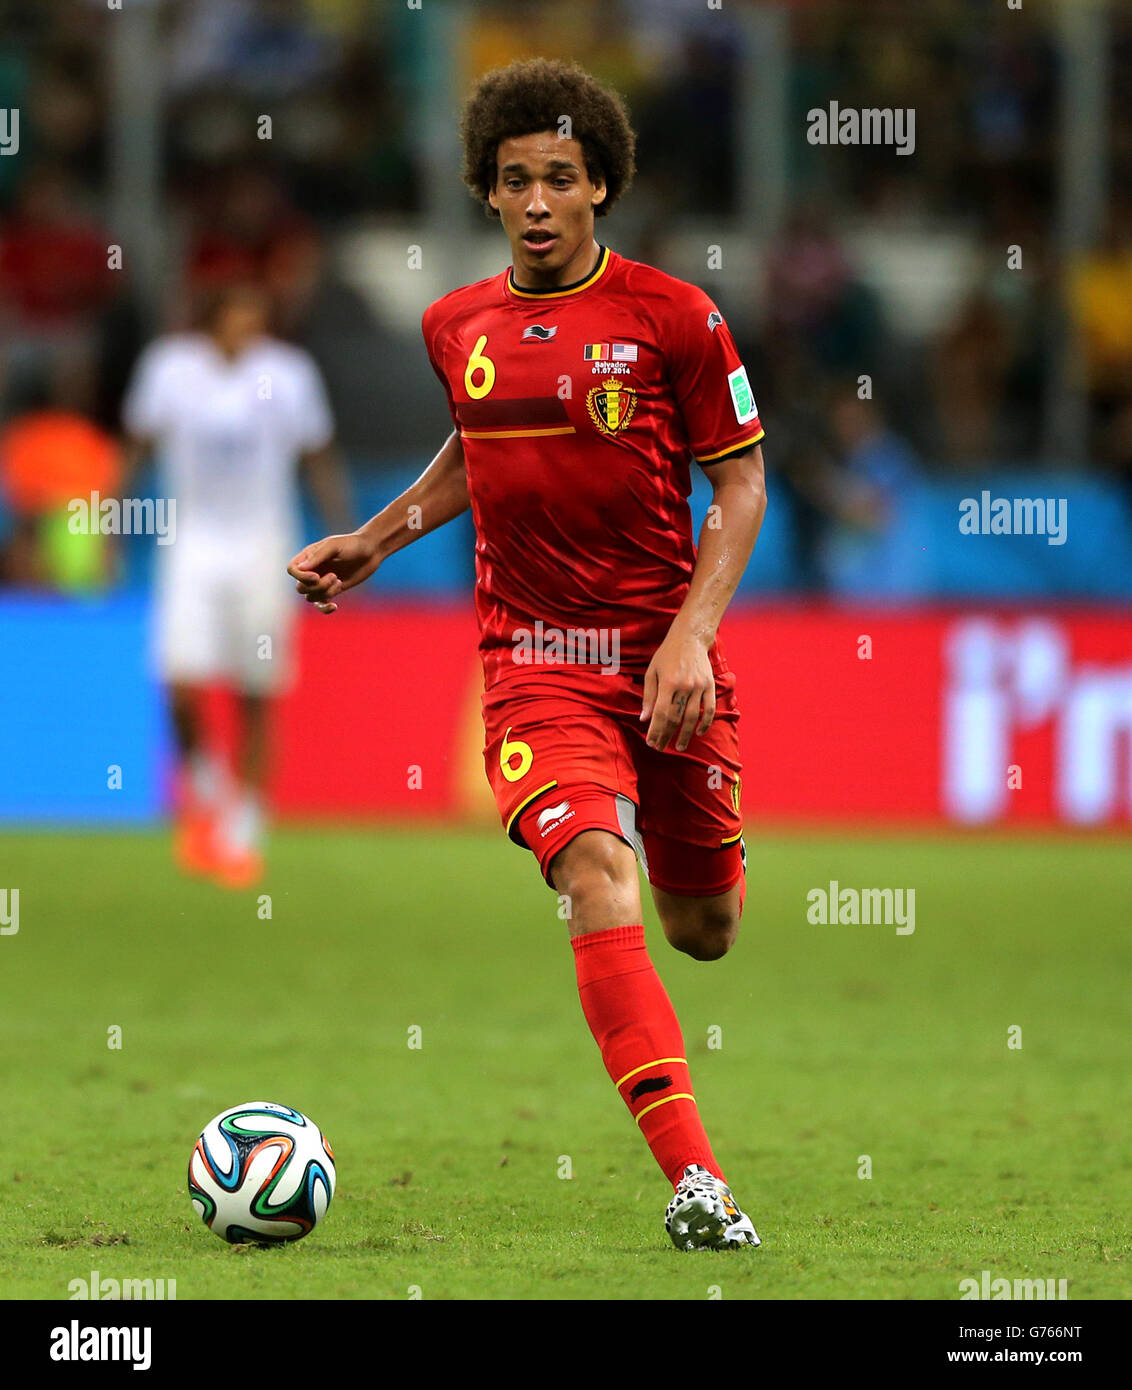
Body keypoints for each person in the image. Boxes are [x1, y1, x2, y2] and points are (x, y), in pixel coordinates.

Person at [289, 59, 767, 1250]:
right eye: (515, 181)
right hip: (533, 662)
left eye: (561, 177)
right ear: (486, 194)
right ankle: (696, 1180)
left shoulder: (676, 317)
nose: (538, 199)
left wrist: (690, 637)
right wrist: (377, 539)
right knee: (595, 874)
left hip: (665, 662)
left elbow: (742, 483)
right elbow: (476, 444)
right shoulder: (454, 324)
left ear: (600, 185)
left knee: (702, 927)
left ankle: (681, 866)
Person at [123, 282, 350, 887]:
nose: (247, 326)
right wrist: (108, 522)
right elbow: (138, 446)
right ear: (212, 317)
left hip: (262, 548)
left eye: (256, 313)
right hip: (191, 546)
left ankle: (245, 825)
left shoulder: (289, 373)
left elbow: (317, 455)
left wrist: (344, 538)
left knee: (256, 691)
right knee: (178, 684)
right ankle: (207, 788)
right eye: (236, 312)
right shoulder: (171, 369)